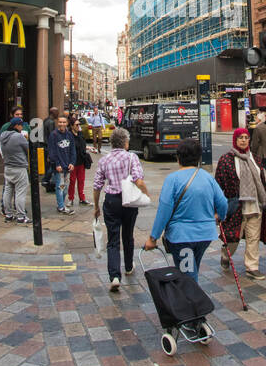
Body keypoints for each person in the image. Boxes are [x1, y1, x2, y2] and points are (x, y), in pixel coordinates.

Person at [144, 139, 230, 283]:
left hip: (182, 236)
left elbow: (164, 210)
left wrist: (153, 238)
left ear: (178, 158)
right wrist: (218, 216)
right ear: (198, 158)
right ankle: (190, 300)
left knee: (188, 277)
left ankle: (192, 303)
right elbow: (223, 203)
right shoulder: (207, 177)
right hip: (205, 234)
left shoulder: (173, 179)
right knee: (191, 270)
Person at [94, 127, 150, 289]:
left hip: (111, 201)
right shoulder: (132, 157)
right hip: (129, 201)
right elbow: (139, 181)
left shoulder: (104, 160)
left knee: (113, 239)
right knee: (128, 235)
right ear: (125, 143)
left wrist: (96, 206)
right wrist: (146, 194)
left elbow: (97, 185)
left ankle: (114, 277)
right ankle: (128, 266)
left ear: (112, 143)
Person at [214, 128, 266, 280]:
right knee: (233, 238)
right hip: (236, 207)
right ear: (235, 140)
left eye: (246, 137)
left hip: (255, 205)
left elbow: (262, 182)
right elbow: (218, 185)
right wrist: (217, 209)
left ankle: (252, 267)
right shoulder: (226, 160)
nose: (244, 140)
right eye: (240, 138)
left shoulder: (255, 159)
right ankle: (226, 255)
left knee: (253, 237)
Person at [0, 118, 31, 224]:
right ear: (17, 126)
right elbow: (28, 149)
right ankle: (21, 216)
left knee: (8, 191)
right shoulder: (18, 137)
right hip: (19, 167)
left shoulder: (3, 136)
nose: (22, 127)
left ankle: (8, 215)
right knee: (20, 193)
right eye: (21, 125)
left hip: (8, 167)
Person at [46, 113, 76, 215]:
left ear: (67, 123)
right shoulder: (53, 135)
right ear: (57, 123)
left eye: (64, 122)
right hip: (59, 167)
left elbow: (73, 150)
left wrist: (72, 162)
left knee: (65, 188)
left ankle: (61, 204)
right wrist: (57, 164)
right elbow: (52, 151)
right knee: (60, 186)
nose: (62, 124)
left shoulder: (69, 135)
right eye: (60, 122)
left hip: (67, 166)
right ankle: (61, 206)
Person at [67, 115, 90, 207]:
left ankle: (82, 198)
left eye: (79, 125)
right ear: (72, 126)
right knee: (72, 181)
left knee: (81, 180)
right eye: (76, 125)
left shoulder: (80, 134)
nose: (78, 126)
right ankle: (71, 199)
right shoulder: (69, 135)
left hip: (81, 160)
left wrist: (88, 148)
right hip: (73, 162)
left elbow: (83, 145)